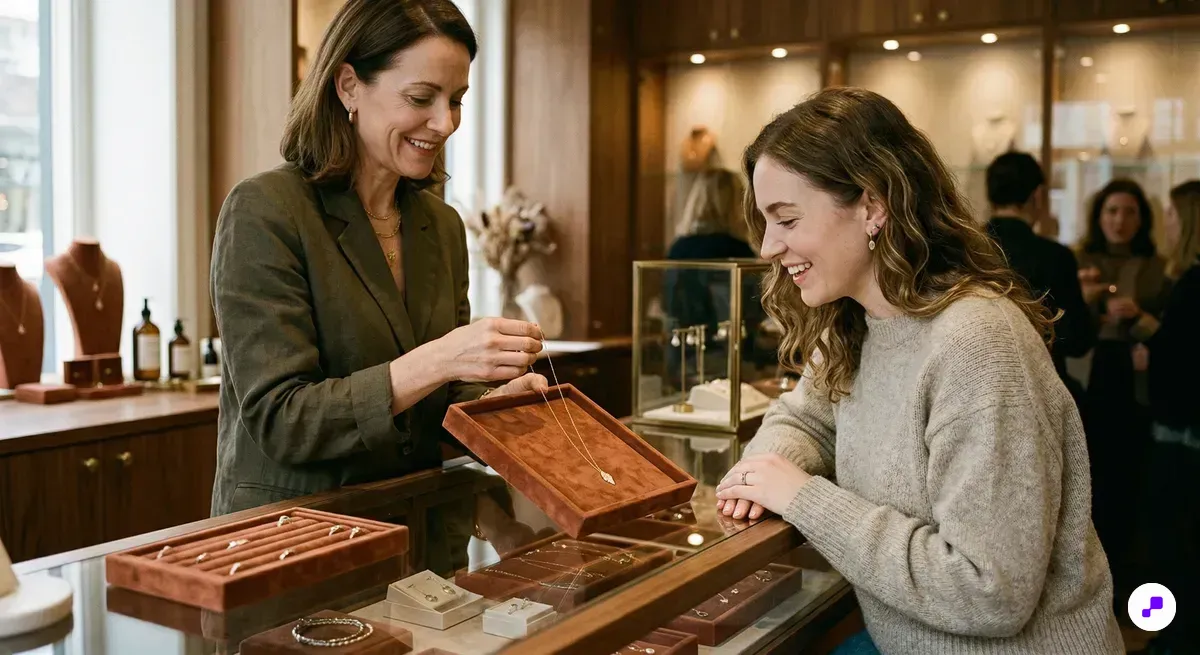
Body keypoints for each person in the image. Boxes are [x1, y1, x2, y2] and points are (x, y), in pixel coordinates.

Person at [713, 87, 1122, 654]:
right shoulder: (854, 323)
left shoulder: (977, 343)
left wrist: (802, 497)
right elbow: (806, 420)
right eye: (765, 221)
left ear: (873, 207)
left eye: (785, 219)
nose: (767, 246)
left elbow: (990, 592)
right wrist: (762, 474)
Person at [209, 0, 547, 517]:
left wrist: (492, 411)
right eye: (421, 97)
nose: (445, 122)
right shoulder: (266, 210)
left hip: (417, 536)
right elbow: (283, 421)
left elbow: (437, 402)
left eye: (456, 100)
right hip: (291, 542)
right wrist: (441, 357)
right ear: (348, 87)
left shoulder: (443, 227)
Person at [1075, 178, 1171, 608]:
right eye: (1112, 210)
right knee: (1089, 480)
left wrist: (1142, 318)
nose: (1120, 220)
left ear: (1142, 218)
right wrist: (1087, 301)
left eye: (1129, 211)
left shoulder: (1158, 266)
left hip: (1139, 385)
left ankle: (1131, 589)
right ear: (1099, 215)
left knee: (1130, 481)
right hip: (1090, 380)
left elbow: (1173, 334)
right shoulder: (1079, 260)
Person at [1135, 180, 1200, 652]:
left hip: (1182, 442)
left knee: (1178, 552)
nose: (1167, 225)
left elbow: (1182, 365)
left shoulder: (1193, 284)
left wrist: (1151, 351)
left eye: (1173, 216)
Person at [984, 151, 1095, 405]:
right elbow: (1078, 340)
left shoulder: (964, 249)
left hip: (978, 383)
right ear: (1037, 196)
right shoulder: (1055, 256)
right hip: (1039, 391)